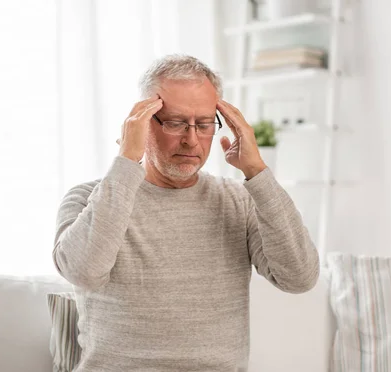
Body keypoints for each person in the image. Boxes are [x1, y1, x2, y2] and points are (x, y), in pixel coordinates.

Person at [53, 54, 320, 372]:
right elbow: (83, 271)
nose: (191, 139)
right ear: (142, 122)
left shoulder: (238, 201)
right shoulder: (89, 198)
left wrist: (256, 171)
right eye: (175, 122)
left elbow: (299, 278)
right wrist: (127, 160)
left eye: (204, 124)